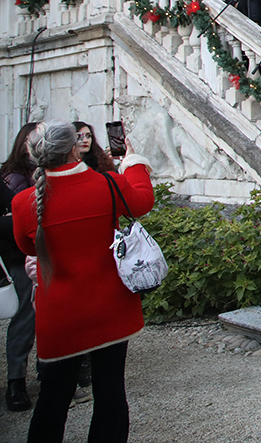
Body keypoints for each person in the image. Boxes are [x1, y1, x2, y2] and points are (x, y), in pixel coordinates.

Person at [12, 121, 154, 441]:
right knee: (110, 392)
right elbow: (143, 200)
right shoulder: (107, 185)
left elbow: (26, 246)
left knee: (53, 397)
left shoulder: (23, 204)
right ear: (75, 148)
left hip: (59, 312)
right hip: (109, 308)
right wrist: (132, 163)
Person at [1, 123, 38, 412]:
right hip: (20, 256)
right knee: (25, 317)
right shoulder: (12, 178)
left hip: (44, 255)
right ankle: (16, 380)